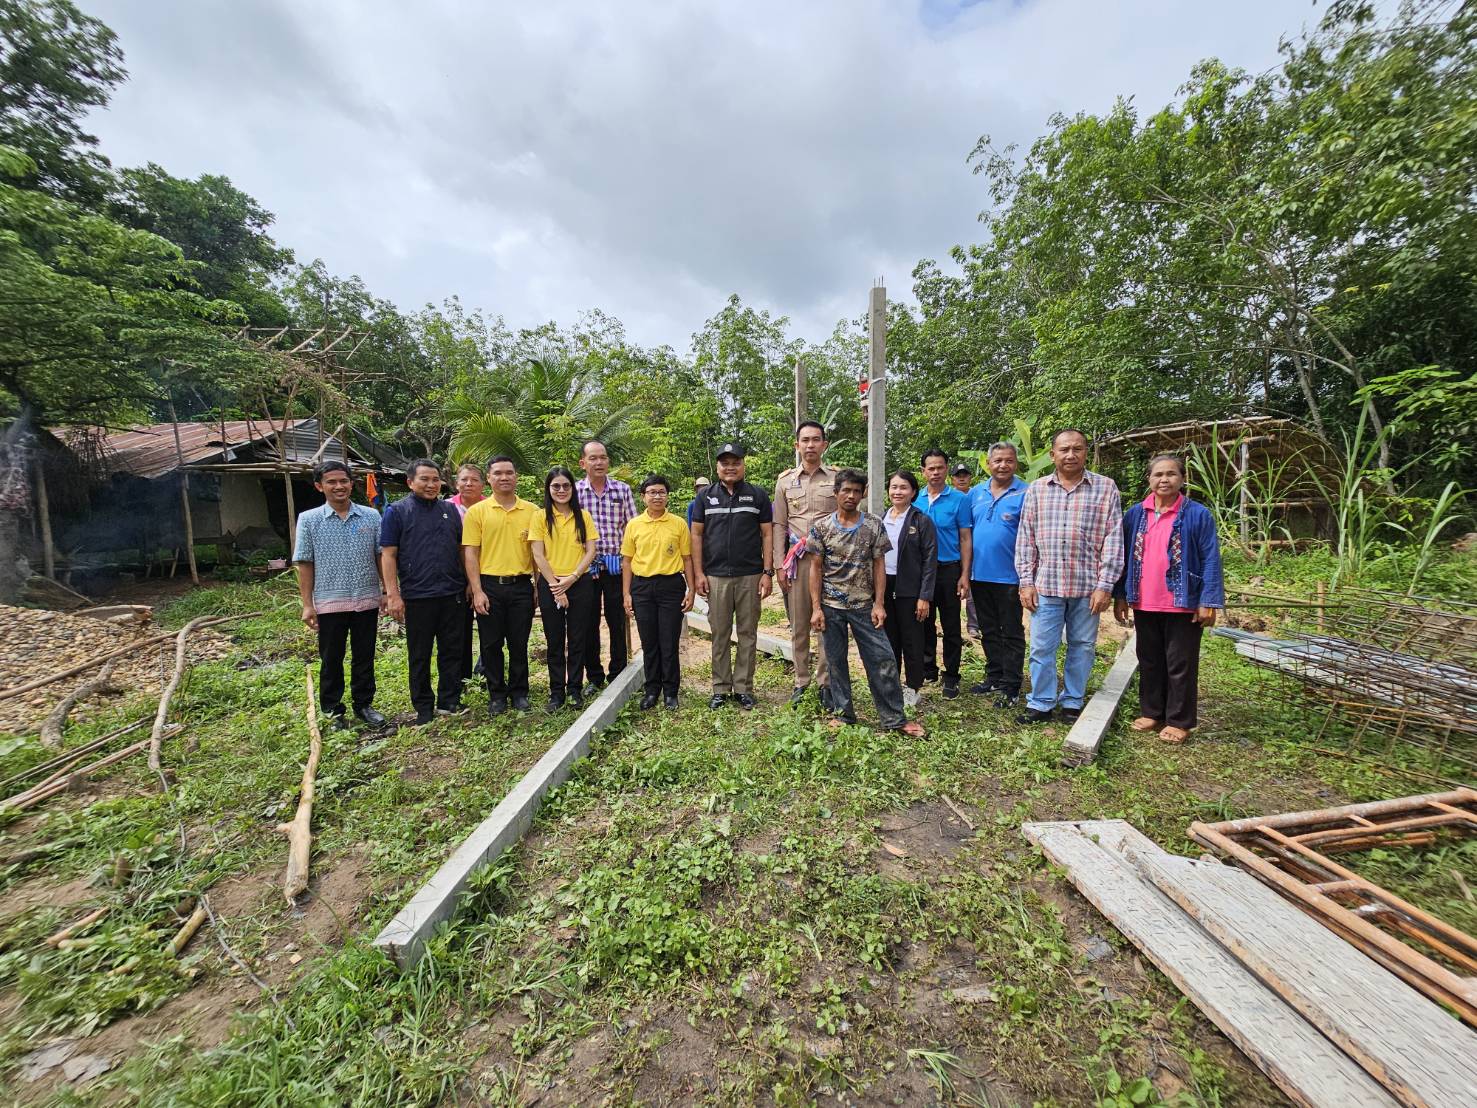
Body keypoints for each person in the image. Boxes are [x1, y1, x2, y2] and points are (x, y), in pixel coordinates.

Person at [1014, 430, 1124, 724]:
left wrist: (1105, 585)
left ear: (1086, 452)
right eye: (1064, 449)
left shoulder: (1105, 488)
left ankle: (1073, 700)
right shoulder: (1037, 489)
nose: (1070, 455)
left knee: (1083, 645)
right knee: (1041, 647)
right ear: (1053, 455)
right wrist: (1026, 581)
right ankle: (1041, 702)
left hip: (1088, 587)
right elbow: (1026, 538)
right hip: (1047, 585)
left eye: (1077, 449)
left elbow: (1113, 539)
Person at [1113, 454, 1225, 743]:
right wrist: (1121, 595)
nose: (1164, 479)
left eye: (1171, 474)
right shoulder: (1135, 514)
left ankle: (1179, 720)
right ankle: (1152, 711)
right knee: (1149, 659)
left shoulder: (1197, 514)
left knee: (1180, 662)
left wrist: (1208, 600)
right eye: (1158, 474)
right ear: (1149, 479)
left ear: (1182, 479)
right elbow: (1123, 558)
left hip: (1182, 600)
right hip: (1144, 599)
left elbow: (1211, 558)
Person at [808, 469, 927, 738]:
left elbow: (879, 566)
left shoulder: (873, 525)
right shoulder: (822, 527)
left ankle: (894, 718)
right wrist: (816, 607)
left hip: (864, 605)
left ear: (863, 494)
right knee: (836, 663)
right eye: (846, 490)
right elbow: (815, 569)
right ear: (836, 492)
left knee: (882, 659)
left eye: (856, 491)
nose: (850, 496)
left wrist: (879, 604)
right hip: (831, 606)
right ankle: (843, 715)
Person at [294, 460, 387, 730]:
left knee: (364, 655)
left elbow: (381, 556)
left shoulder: (371, 516)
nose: (339, 486)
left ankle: (364, 705)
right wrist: (307, 604)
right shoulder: (309, 520)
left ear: (351, 483)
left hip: (366, 599)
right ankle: (334, 711)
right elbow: (304, 562)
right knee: (331, 658)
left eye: (343, 481)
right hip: (329, 602)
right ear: (319, 486)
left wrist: (385, 591)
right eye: (331, 482)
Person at [381, 459, 466, 725]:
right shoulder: (397, 511)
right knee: (419, 653)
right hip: (417, 596)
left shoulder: (450, 511)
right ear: (410, 482)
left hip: (452, 592)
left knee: (452, 649)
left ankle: (449, 701)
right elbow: (388, 554)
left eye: (435, 480)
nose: (431, 485)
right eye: (424, 479)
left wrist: (469, 585)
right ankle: (423, 707)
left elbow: (462, 551)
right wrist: (393, 594)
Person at [691, 443, 774, 710]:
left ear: (743, 465)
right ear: (717, 467)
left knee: (747, 633)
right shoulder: (704, 499)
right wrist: (699, 573)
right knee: (720, 633)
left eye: (735, 462)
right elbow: (696, 535)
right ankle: (720, 688)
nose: (730, 467)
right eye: (725, 463)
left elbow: (767, 534)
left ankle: (743, 688)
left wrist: (767, 572)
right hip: (715, 577)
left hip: (750, 576)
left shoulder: (758, 496)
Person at [464, 456, 540, 717]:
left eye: (509, 472)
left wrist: (537, 587)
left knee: (519, 643)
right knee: (491, 643)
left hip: (521, 586)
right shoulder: (478, 512)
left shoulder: (532, 511)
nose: (504, 477)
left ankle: (520, 692)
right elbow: (471, 553)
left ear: (516, 476)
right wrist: (477, 590)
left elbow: (538, 553)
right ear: (489, 478)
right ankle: (496, 695)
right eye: (498, 473)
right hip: (490, 586)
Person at [773, 421, 838, 708]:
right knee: (799, 623)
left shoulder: (837, 478)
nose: (810, 445)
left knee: (827, 623)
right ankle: (801, 681)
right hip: (797, 563)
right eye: (805, 440)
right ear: (796, 445)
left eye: (816, 440)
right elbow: (779, 524)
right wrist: (778, 565)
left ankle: (825, 683)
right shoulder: (785, 481)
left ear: (824, 444)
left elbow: (846, 521)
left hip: (829, 563)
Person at [622, 474, 695, 710]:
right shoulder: (634, 525)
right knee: (649, 641)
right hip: (642, 588)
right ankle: (652, 690)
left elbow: (687, 559)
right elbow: (627, 561)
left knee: (669, 640)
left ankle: (671, 692)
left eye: (661, 492)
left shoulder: (678, 524)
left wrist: (691, 589)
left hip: (671, 586)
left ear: (667, 496)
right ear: (643, 497)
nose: (657, 496)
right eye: (652, 492)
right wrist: (627, 594)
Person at [530, 466, 599, 713]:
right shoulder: (540, 517)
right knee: (555, 640)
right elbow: (538, 553)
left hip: (579, 583)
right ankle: (556, 692)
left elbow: (591, 551)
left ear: (573, 488)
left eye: (566, 486)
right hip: (551, 583)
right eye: (556, 486)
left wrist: (572, 577)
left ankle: (575, 690)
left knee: (579, 638)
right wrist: (557, 588)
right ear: (548, 489)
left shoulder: (584, 516)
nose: (561, 490)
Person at [968, 443, 1029, 707]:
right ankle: (994, 675)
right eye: (997, 461)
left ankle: (1011, 685)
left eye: (1008, 461)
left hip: (1011, 577)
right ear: (988, 464)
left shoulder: (1027, 492)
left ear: (1016, 463)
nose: (1003, 465)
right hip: (979, 575)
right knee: (988, 629)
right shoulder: (975, 492)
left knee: (1011, 632)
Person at [577, 440, 638, 695]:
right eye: (593, 458)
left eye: (602, 457)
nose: (599, 462)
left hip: (615, 565)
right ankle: (593, 676)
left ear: (608, 461)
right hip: (585, 568)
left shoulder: (621, 490)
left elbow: (633, 528)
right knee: (588, 622)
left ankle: (618, 671)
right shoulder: (575, 492)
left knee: (617, 619)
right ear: (583, 463)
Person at [913, 449, 973, 700]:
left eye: (940, 467)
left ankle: (952, 675)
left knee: (951, 626)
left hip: (949, 570)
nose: (935, 472)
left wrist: (964, 574)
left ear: (946, 469)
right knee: (924, 621)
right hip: (921, 571)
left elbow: (965, 538)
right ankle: (928, 668)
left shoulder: (959, 499)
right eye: (931, 468)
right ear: (923, 471)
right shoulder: (915, 500)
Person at [880, 470, 936, 709]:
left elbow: (930, 561)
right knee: (889, 640)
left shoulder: (921, 521)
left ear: (913, 492)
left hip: (910, 590)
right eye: (894, 487)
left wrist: (924, 596)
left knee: (912, 640)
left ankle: (913, 686)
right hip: (886, 586)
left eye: (903, 487)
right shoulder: (882, 517)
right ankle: (893, 685)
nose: (898, 492)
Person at [449, 461, 487, 691]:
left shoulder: (491, 507)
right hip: (455, 578)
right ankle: (461, 679)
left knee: (490, 630)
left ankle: (482, 672)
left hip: (488, 575)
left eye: (474, 479)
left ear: (484, 483)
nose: (469, 483)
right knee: (459, 630)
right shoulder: (446, 508)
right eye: (464, 479)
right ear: (456, 483)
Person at [952, 461, 981, 641]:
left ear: (970, 477)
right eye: (958, 476)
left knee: (973, 584)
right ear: (952, 479)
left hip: (974, 547)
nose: (962, 478)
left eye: (965, 475)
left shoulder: (977, 496)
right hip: (954, 550)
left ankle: (974, 625)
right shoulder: (949, 497)